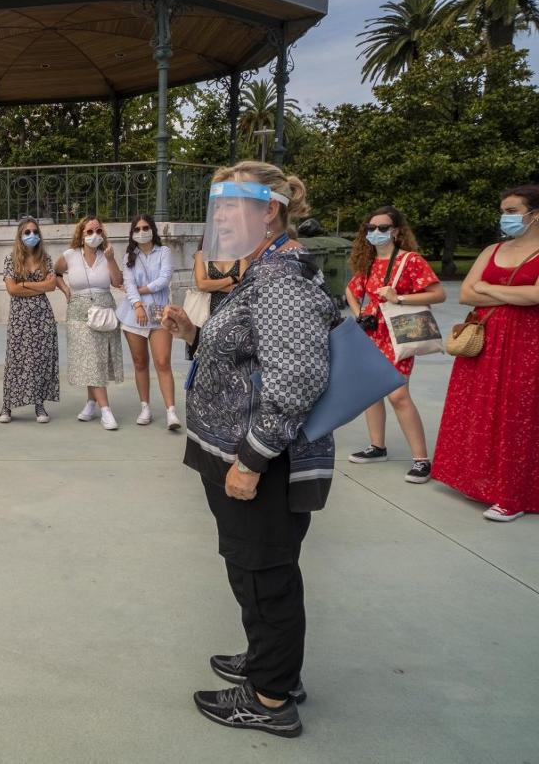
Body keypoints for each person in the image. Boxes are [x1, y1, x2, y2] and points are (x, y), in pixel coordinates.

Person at [162, 161, 340, 738]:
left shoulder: (281, 276)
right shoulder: (261, 269)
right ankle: (271, 661)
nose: (219, 217)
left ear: (270, 210)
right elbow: (252, 356)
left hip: (262, 460)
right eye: (215, 206)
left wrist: (252, 460)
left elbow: (294, 381)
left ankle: (269, 698)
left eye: (231, 205)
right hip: (238, 449)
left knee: (264, 571)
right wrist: (195, 337)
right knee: (254, 567)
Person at [432, 185, 539, 522]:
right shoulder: (492, 249)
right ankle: (477, 481)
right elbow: (465, 293)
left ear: (534, 215)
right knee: (480, 410)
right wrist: (509, 293)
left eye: (512, 210)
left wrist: (488, 289)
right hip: (485, 342)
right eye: (504, 210)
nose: (505, 216)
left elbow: (535, 296)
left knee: (517, 415)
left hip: (526, 346)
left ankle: (513, 494)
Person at [344, 207, 445, 483]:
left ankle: (421, 460)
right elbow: (350, 291)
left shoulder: (410, 260)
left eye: (383, 227)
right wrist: (359, 314)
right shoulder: (368, 262)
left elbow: (438, 294)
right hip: (373, 334)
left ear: (397, 231)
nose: (376, 233)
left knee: (398, 395)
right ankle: (377, 446)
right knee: (371, 392)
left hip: (399, 332)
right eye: (371, 228)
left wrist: (399, 298)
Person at [54, 217, 126, 430]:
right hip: (78, 312)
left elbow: (117, 281)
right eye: (89, 231)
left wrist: (112, 260)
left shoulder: (107, 255)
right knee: (90, 358)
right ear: (81, 234)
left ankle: (91, 403)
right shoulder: (70, 256)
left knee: (97, 359)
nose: (94, 234)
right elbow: (55, 273)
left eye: (98, 230)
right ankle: (106, 410)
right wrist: (66, 289)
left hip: (103, 310)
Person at [118, 214, 179, 430]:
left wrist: (142, 290)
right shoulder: (129, 257)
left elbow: (164, 279)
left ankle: (171, 411)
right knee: (140, 361)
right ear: (132, 233)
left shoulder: (164, 252)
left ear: (152, 229)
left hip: (159, 310)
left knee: (162, 361)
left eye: (146, 227)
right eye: (137, 229)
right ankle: (145, 407)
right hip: (134, 312)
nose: (142, 232)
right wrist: (137, 305)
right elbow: (127, 283)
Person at [0, 217, 60, 423]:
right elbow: (12, 289)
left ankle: (39, 405)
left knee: (40, 361)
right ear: (20, 235)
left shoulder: (46, 259)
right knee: (16, 360)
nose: (31, 235)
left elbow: (52, 286)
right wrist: (39, 285)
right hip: (20, 318)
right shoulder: (11, 259)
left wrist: (24, 284)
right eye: (27, 232)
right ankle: (7, 406)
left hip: (43, 318)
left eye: (34, 231)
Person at [194, 250, 248, 317]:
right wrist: (231, 279)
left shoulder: (241, 254)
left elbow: (243, 286)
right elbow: (201, 285)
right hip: (209, 310)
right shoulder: (202, 254)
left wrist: (211, 285)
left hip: (235, 308)